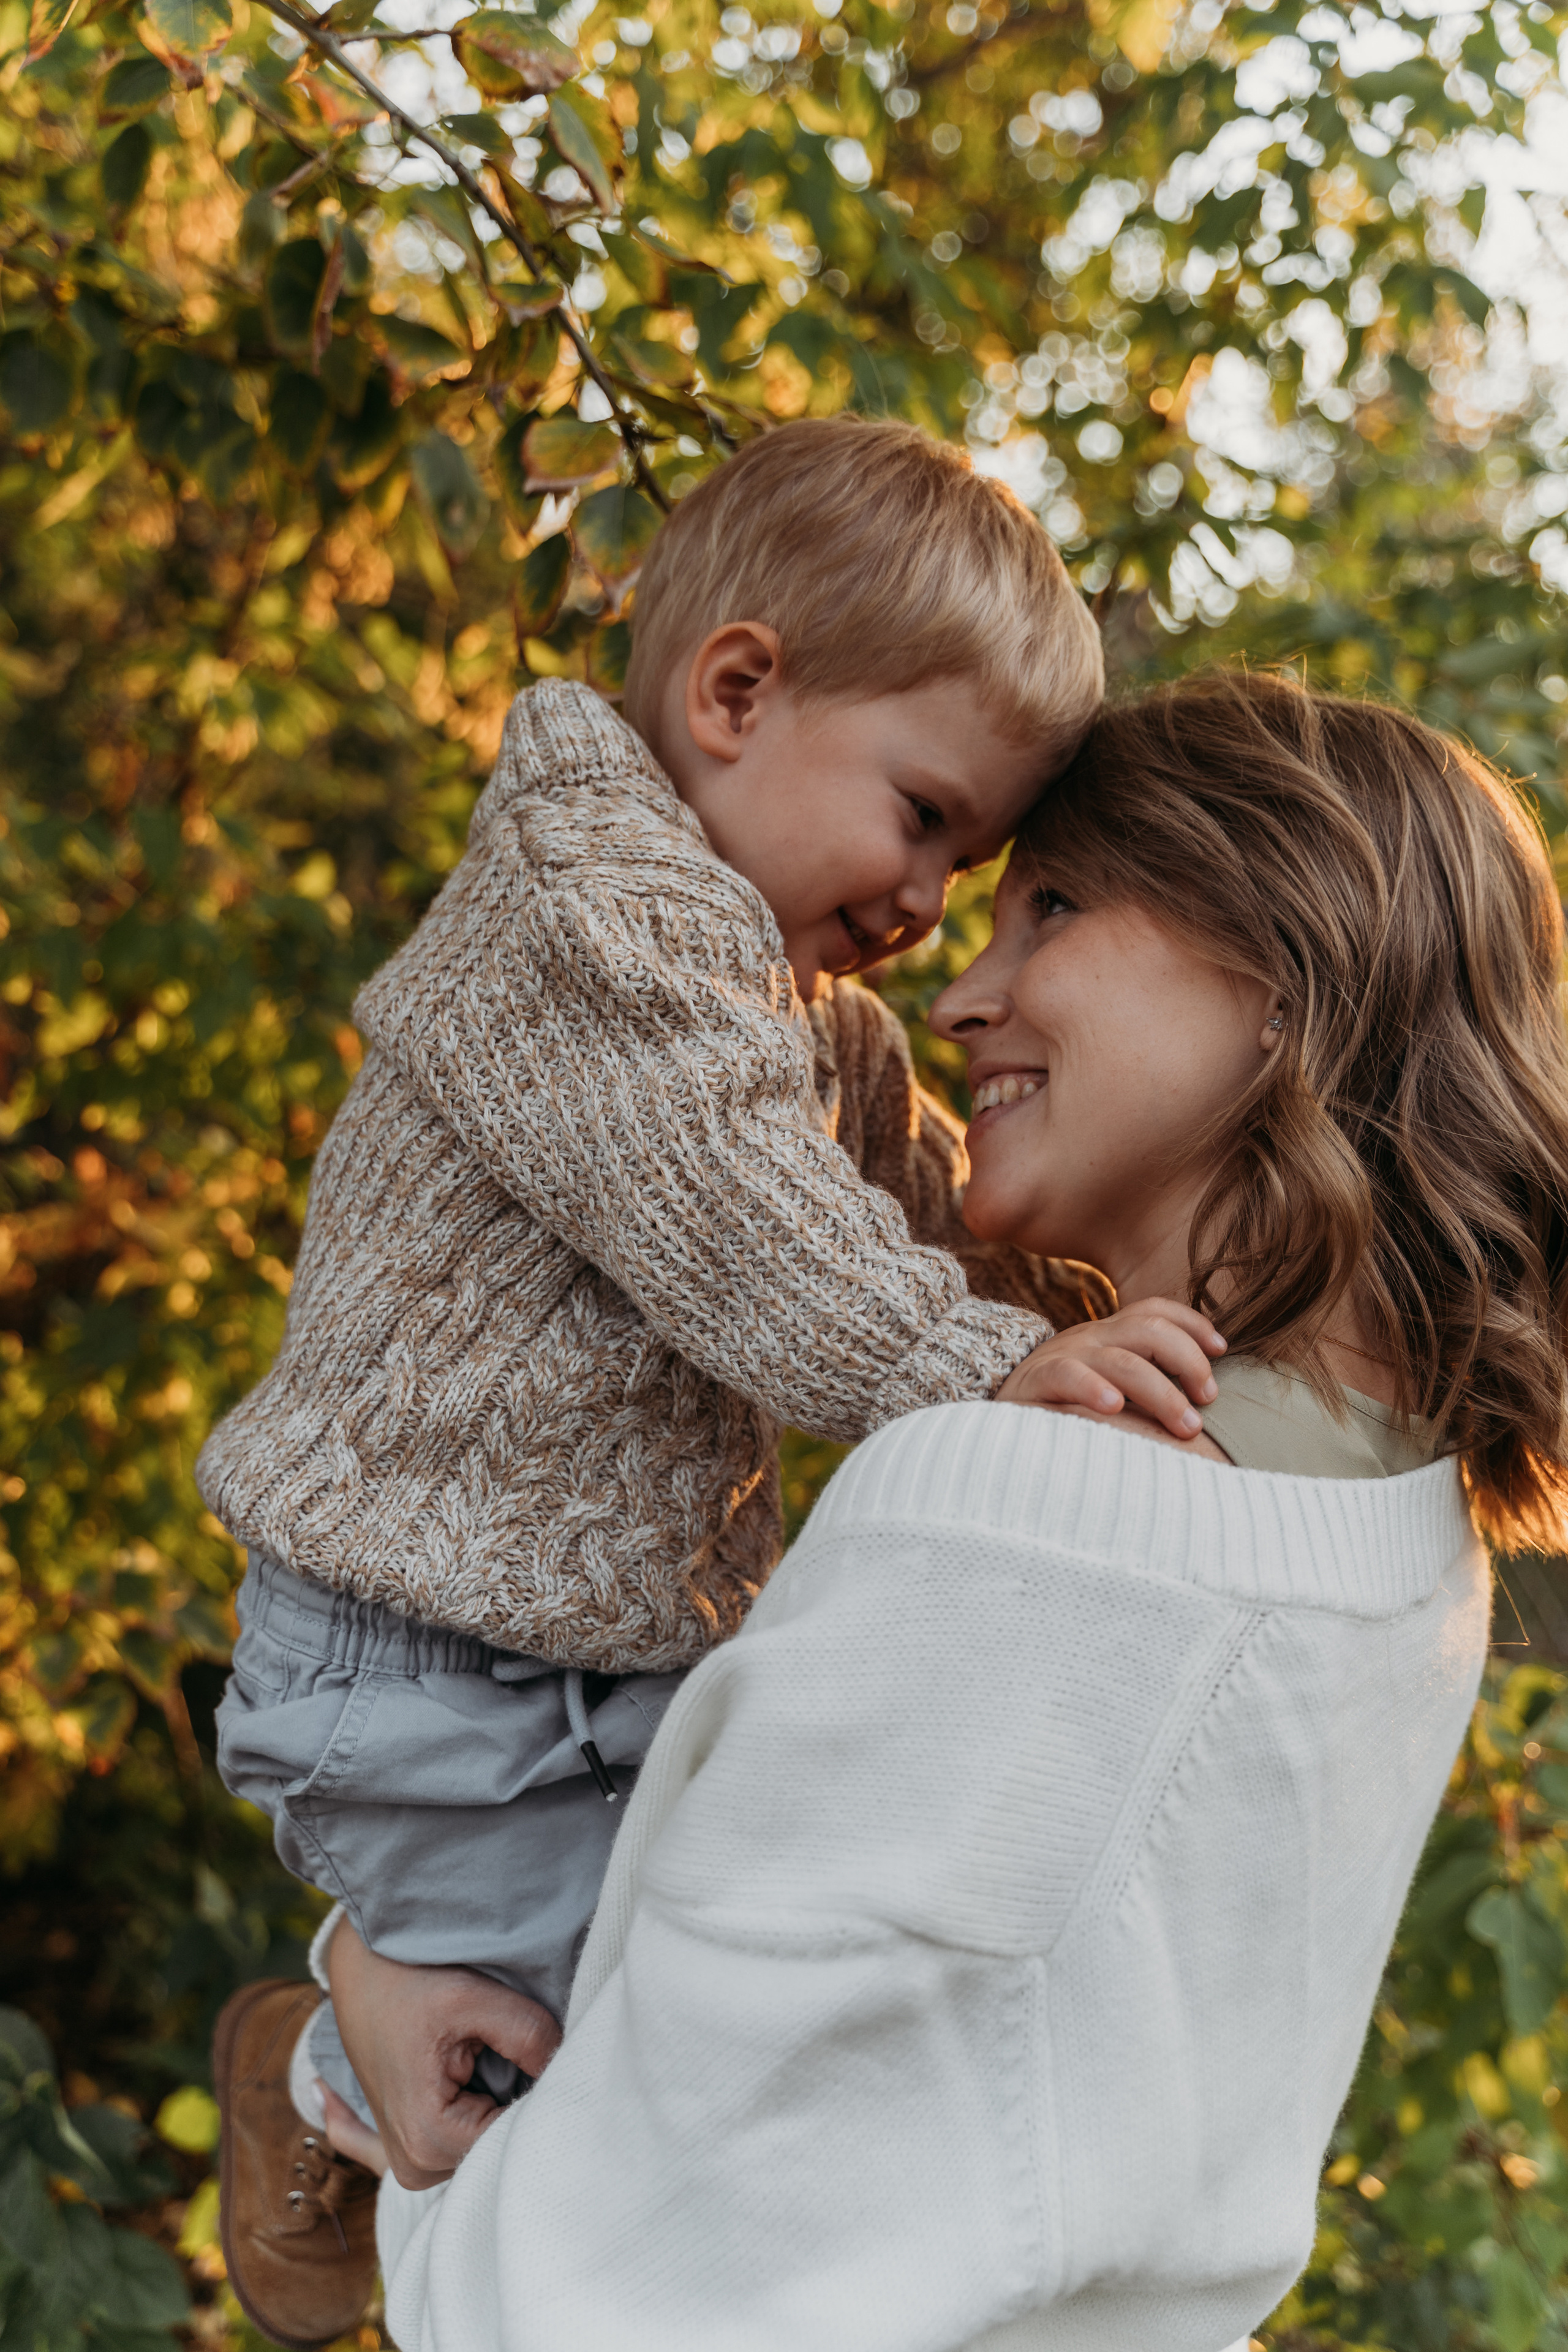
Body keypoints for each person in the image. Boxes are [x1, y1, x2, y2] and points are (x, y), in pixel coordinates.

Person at [331, 670, 1568, 2351]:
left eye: (1051, 908)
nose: (960, 997)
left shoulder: (1025, 1523)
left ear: (1290, 968)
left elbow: (562, 2306)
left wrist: (369, 1994)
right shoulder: (1411, 1555)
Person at [202, 417, 1226, 2349]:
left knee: (745, 1960)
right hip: (411, 1660)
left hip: (585, 1658)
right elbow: (748, 1227)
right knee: (622, 2051)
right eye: (924, 817)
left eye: (976, 862)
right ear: (737, 694)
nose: (931, 904)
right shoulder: (589, 913)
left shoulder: (800, 1011)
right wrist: (998, 1371)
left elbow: (929, 1215)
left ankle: (369, 2047)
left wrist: (1117, 1311)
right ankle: (321, 2077)